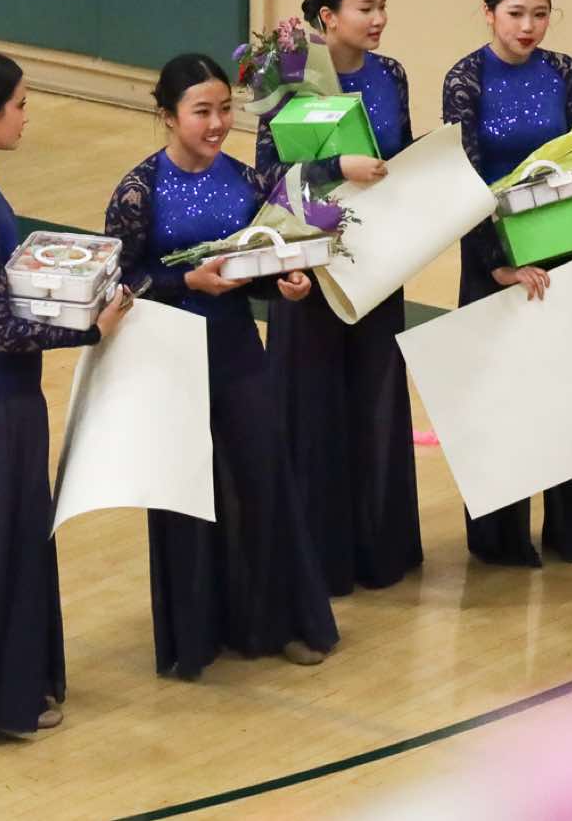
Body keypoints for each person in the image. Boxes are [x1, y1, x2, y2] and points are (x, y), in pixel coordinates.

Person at [104, 54, 340, 678]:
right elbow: (121, 282)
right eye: (201, 111)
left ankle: (278, 623)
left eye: (225, 109)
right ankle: (195, 634)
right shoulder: (138, 191)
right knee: (185, 490)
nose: (216, 124)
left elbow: (259, 264)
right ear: (167, 116)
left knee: (261, 478)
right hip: (169, 358)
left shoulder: (244, 180)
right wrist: (187, 282)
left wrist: (287, 283)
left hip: (235, 350)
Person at [0, 49, 132, 739]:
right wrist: (90, 327)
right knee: (7, 534)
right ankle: (2, 702)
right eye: (19, 104)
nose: (25, 116)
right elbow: (2, 328)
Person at [440, 0, 572, 566]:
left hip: (560, 241)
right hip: (493, 250)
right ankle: (500, 538)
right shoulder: (465, 78)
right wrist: (496, 267)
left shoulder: (563, 70)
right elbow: (464, 178)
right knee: (504, 396)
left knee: (567, 385)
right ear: (488, 12)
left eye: (540, 14)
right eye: (516, 13)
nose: (528, 27)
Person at [257, 0, 423, 593]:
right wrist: (334, 171)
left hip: (377, 259)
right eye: (365, 8)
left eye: (383, 6)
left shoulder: (391, 75)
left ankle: (377, 549)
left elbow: (403, 157)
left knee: (374, 401)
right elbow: (268, 175)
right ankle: (315, 560)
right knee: (313, 406)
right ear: (327, 17)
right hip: (311, 263)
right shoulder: (290, 77)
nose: (379, 19)